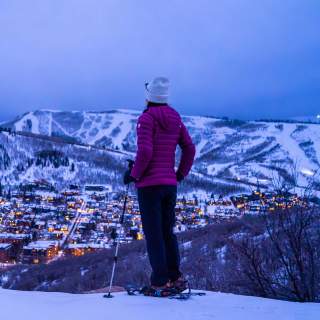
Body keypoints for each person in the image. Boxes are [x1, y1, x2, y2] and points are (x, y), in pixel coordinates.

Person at [123, 76, 195, 296]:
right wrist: (179, 174)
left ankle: (160, 282)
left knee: (154, 235)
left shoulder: (146, 119)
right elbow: (189, 149)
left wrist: (133, 175)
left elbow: (145, 152)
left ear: (148, 96)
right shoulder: (175, 117)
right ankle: (175, 276)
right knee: (167, 233)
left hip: (149, 187)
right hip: (169, 184)